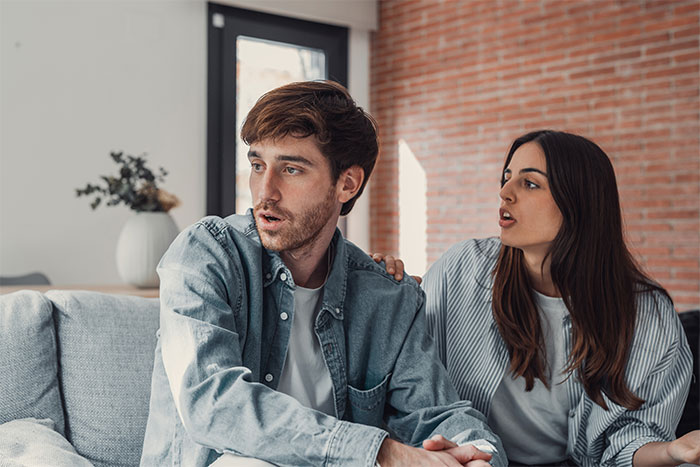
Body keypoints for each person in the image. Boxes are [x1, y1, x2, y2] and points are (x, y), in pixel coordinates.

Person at [140, 80, 506, 467]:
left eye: (292, 169)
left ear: (347, 183)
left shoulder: (387, 297)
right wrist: (379, 452)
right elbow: (213, 404)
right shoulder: (205, 255)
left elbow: (437, 413)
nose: (265, 192)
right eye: (257, 165)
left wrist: (479, 457)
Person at [376, 130, 699, 466]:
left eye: (529, 184)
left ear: (580, 201)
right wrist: (382, 293)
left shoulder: (647, 313)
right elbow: (407, 373)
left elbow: (627, 442)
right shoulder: (462, 268)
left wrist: (674, 450)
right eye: (506, 178)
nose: (504, 193)